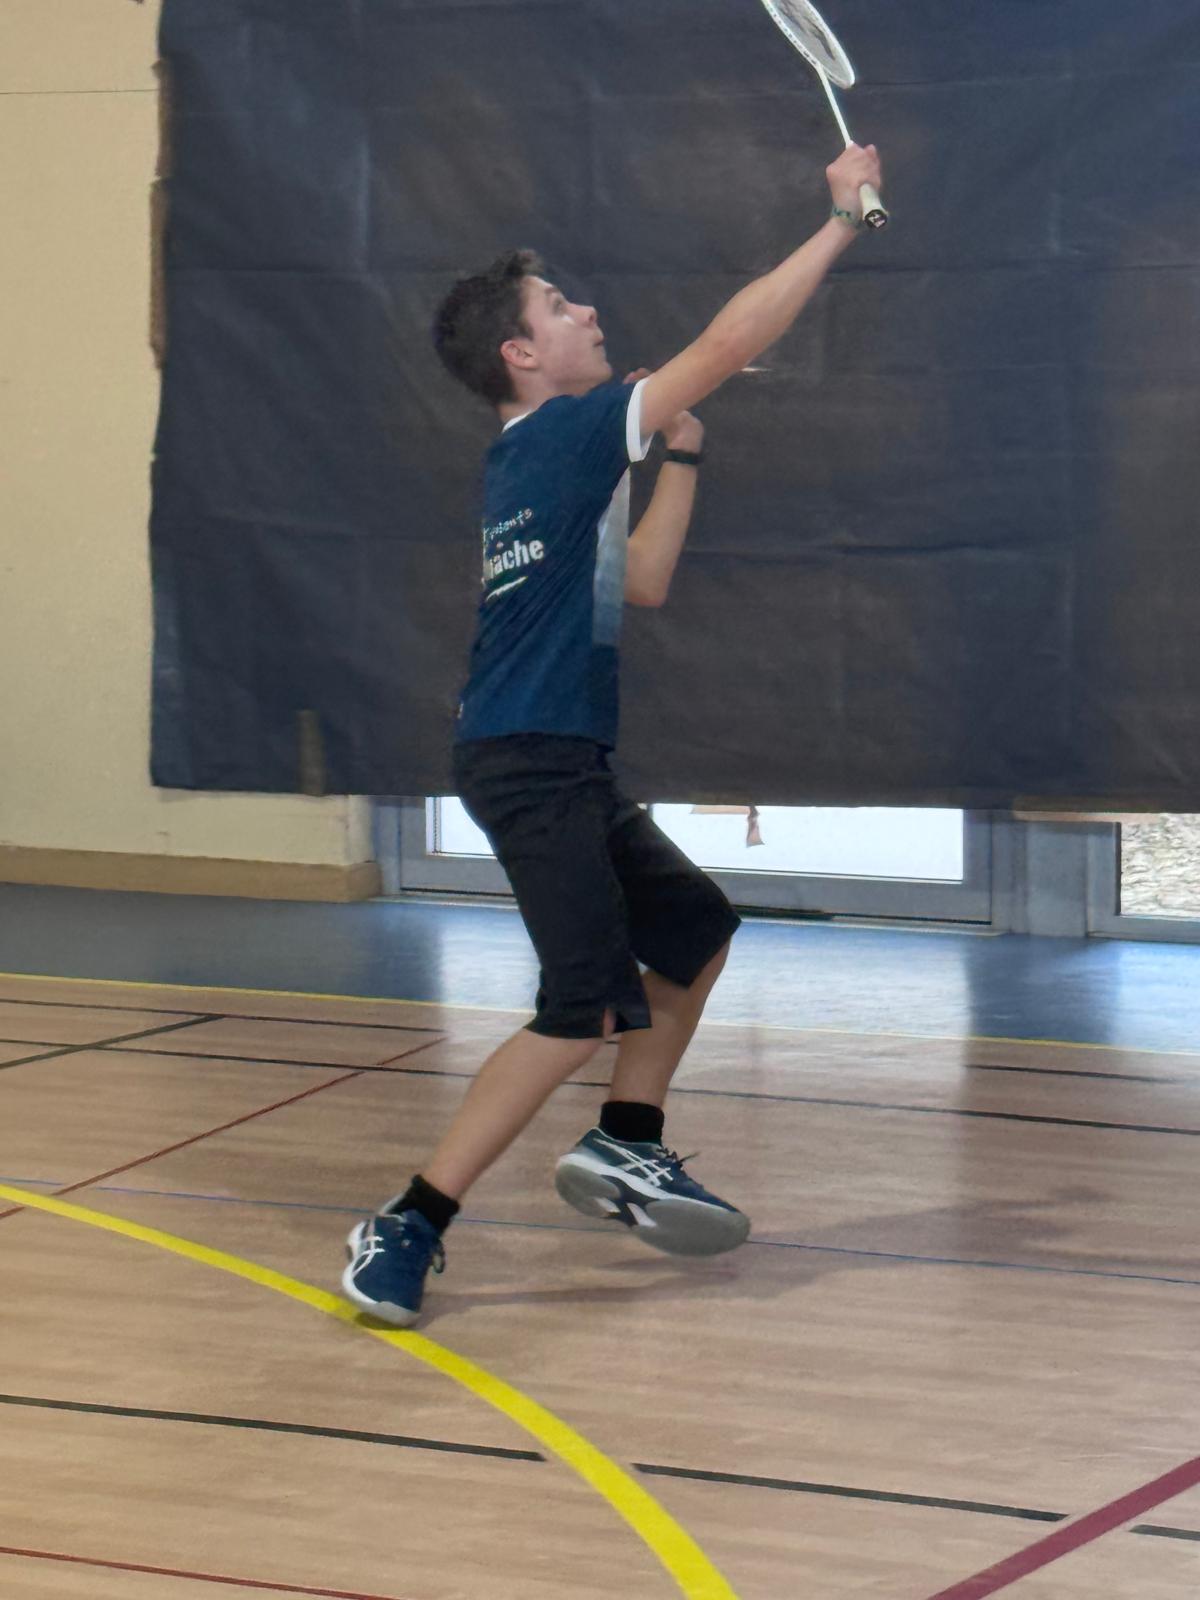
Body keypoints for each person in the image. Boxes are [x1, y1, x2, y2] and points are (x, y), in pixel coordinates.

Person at [342, 142, 884, 1325]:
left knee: (692, 928)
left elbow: (640, 581)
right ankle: (408, 1221)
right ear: (520, 354)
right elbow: (731, 341)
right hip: (527, 760)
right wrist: (843, 221)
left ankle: (627, 1143)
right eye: (558, 305)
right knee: (581, 1006)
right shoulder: (563, 433)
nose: (586, 311)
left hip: (557, 759)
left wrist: (680, 452)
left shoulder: (544, 461)